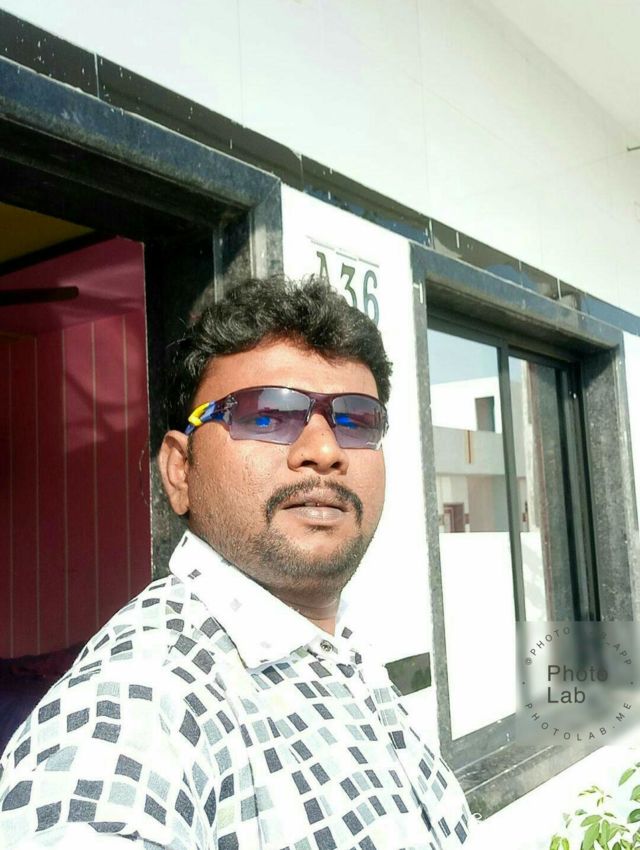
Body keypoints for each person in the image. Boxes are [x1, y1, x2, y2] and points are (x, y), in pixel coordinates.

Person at [0, 277, 475, 849]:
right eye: (267, 415)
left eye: (355, 421)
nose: (325, 451)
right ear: (180, 470)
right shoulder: (138, 706)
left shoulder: (344, 645)